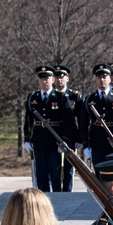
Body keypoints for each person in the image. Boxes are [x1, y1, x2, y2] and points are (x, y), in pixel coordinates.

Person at [23, 65, 77, 193]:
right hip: (39, 141)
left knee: (55, 175)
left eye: (47, 78)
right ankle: (43, 199)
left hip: (55, 142)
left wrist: (64, 140)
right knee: (41, 174)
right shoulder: (33, 98)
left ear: (52, 80)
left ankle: (57, 200)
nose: (44, 81)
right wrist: (27, 139)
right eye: (41, 79)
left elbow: (68, 122)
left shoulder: (61, 97)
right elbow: (28, 120)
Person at [78, 64, 113, 168]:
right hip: (97, 142)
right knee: (99, 174)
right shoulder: (90, 99)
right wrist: (86, 145)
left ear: (109, 78)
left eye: (104, 77)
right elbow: (83, 124)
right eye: (99, 77)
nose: (102, 80)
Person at [53, 65, 83, 192]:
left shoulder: (74, 96)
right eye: (57, 77)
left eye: (62, 77)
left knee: (69, 169)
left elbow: (81, 119)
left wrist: (80, 138)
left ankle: (67, 192)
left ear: (67, 79)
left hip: (70, 137)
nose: (60, 80)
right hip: (53, 137)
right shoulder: (51, 96)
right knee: (54, 169)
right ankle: (55, 193)